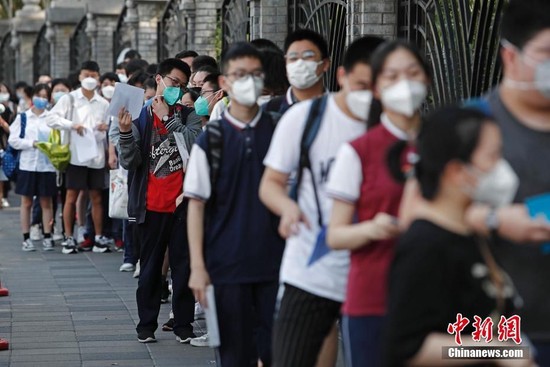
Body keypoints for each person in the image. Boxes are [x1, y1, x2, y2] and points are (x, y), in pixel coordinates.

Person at [259, 35, 385, 367]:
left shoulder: (398, 128)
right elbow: (270, 184)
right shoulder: (305, 119)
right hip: (310, 269)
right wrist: (287, 207)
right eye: (362, 84)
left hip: (375, 273)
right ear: (342, 75)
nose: (370, 95)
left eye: (379, 86)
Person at [379, 106, 535, 367]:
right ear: (456, 171)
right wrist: (494, 350)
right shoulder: (425, 246)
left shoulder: (470, 233)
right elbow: (407, 348)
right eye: (493, 156)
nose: (502, 168)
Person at [186, 42, 284, 366]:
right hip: (226, 267)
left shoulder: (280, 132)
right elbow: (196, 205)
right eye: (240, 75)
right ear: (224, 83)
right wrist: (198, 268)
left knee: (275, 353)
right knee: (234, 355)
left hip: (276, 265)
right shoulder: (211, 139)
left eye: (255, 74)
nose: (248, 81)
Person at [463, 0, 550, 364]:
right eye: (546, 54)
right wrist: (494, 220)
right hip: (493, 335)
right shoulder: (468, 125)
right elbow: (418, 214)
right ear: (510, 56)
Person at [118, 58, 200, 344]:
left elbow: (194, 143)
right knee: (151, 269)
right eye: (173, 82)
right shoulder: (139, 116)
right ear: (159, 79)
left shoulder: (189, 115)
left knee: (184, 267)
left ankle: (183, 325)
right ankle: (146, 324)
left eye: (181, 84)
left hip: (184, 205)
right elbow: (130, 161)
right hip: (150, 206)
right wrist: (126, 133)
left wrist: (168, 118)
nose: (176, 88)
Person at [48, 60, 111, 255]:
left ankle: (98, 237)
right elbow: (51, 118)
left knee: (97, 197)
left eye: (93, 76)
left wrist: (105, 127)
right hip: (75, 155)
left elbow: (110, 126)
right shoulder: (70, 99)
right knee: (71, 196)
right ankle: (69, 236)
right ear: (80, 77)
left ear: (98, 78)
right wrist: (72, 125)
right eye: (87, 75)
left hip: (96, 156)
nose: (90, 79)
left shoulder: (103, 103)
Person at [8, 84, 57, 252]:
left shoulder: (52, 118)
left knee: (46, 202)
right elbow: (13, 140)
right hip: (27, 164)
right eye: (39, 95)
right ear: (32, 97)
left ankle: (48, 235)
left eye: (45, 96)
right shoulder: (23, 117)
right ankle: (26, 237)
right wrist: (32, 144)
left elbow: (59, 139)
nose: (41, 99)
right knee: (26, 202)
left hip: (47, 165)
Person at [263, 29, 330, 115]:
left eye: (308, 56)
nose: (300, 63)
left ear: (325, 64)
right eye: (293, 58)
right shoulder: (269, 111)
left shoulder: (341, 109)